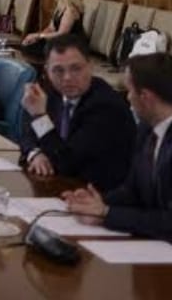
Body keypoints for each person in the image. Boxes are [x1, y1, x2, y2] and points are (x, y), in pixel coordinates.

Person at [64, 53, 172, 241]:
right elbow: (133, 191)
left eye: (129, 91)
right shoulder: (147, 129)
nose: (128, 98)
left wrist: (107, 214)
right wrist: (96, 202)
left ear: (145, 97)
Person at [19, 34, 136, 192]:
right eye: (58, 70)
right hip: (64, 185)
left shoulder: (106, 106)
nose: (67, 78)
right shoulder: (51, 91)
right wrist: (35, 153)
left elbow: (67, 163)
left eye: (76, 68)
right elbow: (27, 128)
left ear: (90, 67)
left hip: (99, 194)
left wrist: (40, 117)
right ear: (47, 71)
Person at [21, 0, 86, 58]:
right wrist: (37, 38)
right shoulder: (60, 6)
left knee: (30, 48)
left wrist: (38, 36)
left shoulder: (70, 10)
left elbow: (61, 34)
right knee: (27, 44)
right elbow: (51, 28)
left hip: (71, 46)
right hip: (58, 42)